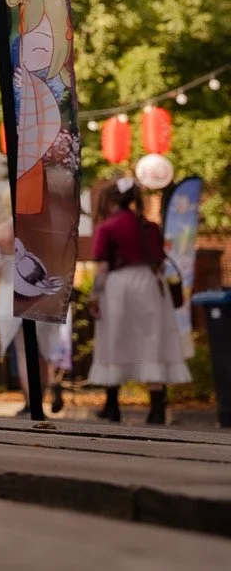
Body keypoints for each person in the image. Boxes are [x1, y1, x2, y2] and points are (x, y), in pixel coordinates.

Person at [88, 176, 190, 424]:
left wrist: (94, 295)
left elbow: (103, 267)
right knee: (151, 339)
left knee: (114, 338)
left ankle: (112, 405)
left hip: (118, 285)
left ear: (111, 200)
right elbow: (159, 262)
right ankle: (156, 408)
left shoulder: (108, 227)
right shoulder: (150, 227)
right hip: (149, 284)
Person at [0, 216, 69, 415]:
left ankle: (33, 402)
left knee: (24, 353)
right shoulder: (43, 230)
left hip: (12, 296)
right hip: (42, 296)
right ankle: (49, 387)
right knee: (44, 352)